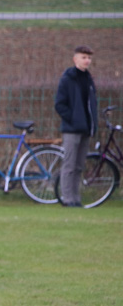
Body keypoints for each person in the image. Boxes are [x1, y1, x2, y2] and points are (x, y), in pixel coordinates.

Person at [55, 45, 98, 208]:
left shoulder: (89, 79)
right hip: (72, 130)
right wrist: (73, 119)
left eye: (88, 58)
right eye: (83, 57)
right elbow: (60, 104)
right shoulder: (67, 79)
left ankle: (76, 198)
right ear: (75, 59)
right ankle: (67, 198)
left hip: (86, 129)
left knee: (79, 166)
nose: (87, 60)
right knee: (69, 165)